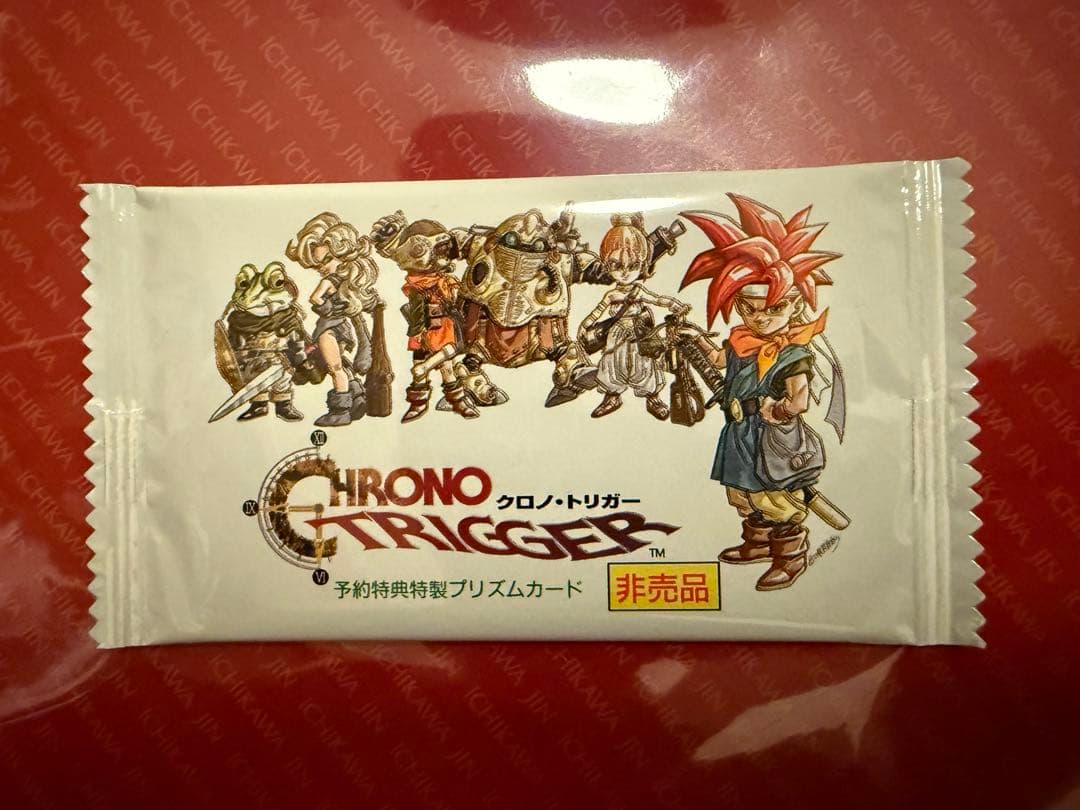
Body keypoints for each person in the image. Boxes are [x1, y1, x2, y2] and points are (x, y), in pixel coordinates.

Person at [679, 194, 841, 591]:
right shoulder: (741, 341)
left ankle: (790, 556)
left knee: (776, 499)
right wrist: (694, 340)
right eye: (749, 309)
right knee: (743, 493)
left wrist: (779, 410)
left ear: (794, 306)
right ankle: (757, 545)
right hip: (739, 432)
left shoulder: (793, 353)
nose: (760, 318)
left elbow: (799, 399)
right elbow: (719, 359)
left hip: (773, 437)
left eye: (772, 309)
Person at [577, 213, 689, 419]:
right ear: (607, 265)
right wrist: (585, 324)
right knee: (612, 363)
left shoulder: (638, 291)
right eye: (617, 266)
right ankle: (612, 396)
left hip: (639, 333)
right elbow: (598, 311)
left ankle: (653, 398)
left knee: (645, 364)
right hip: (616, 334)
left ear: (643, 265)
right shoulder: (612, 295)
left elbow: (657, 299)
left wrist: (674, 305)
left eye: (633, 266)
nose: (625, 272)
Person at [286, 212, 380, 427]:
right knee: (342, 364)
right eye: (317, 264)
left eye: (326, 260)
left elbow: (314, 298)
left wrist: (324, 307)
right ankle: (357, 397)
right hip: (342, 329)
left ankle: (340, 410)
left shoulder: (329, 281)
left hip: (328, 329)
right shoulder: (346, 283)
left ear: (342, 254)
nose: (321, 267)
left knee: (334, 368)